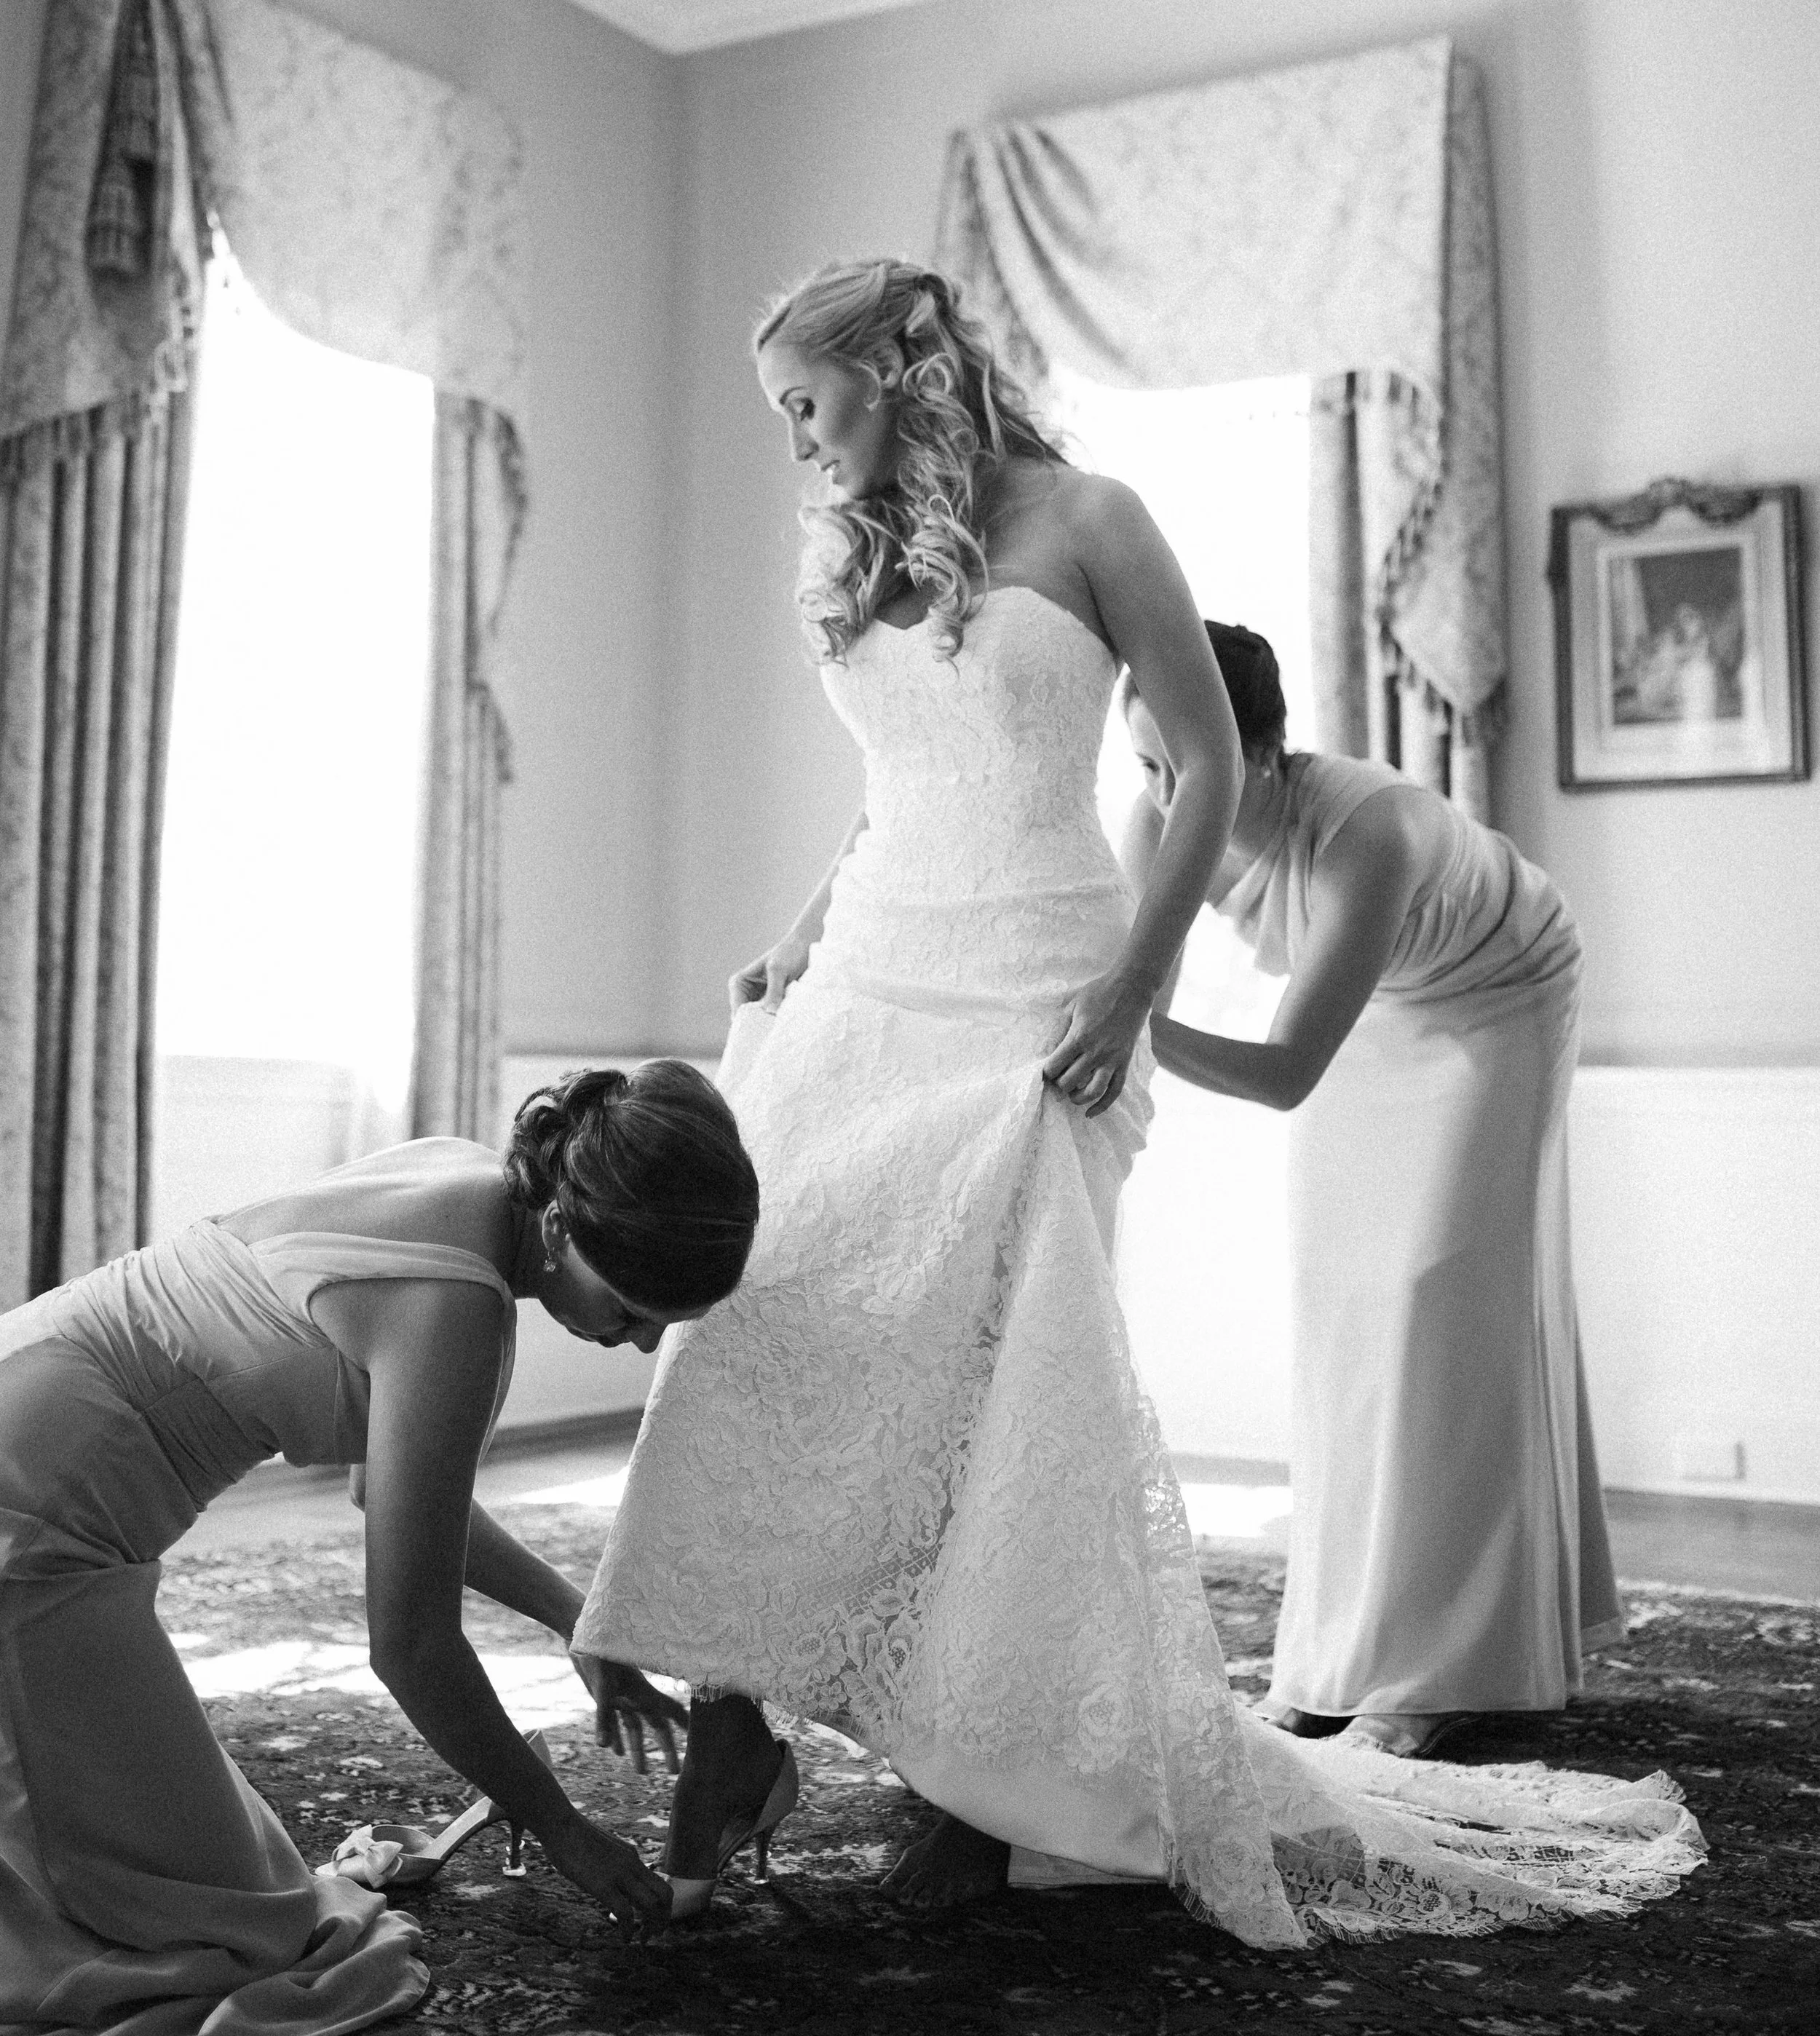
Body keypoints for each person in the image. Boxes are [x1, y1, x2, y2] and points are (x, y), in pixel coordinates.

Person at [575, 260, 1701, 1946]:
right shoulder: (856, 544)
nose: (794, 439)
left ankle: (985, 1788)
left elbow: (1208, 765)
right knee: (759, 1317)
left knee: (997, 1378)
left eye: (804, 400)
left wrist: (1130, 989)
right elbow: (897, 782)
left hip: (1040, 984)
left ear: (899, 364)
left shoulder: (1094, 519)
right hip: (871, 971)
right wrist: (800, 934)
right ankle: (734, 1714)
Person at [0, 1059, 758, 2036]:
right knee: (222, 1938)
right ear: (562, 1228)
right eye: (628, 1310)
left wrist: (580, 1622)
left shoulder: (469, 1178)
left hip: (30, 1403)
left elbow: (392, 1494)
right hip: (35, 1528)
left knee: (230, 1894)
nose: (639, 1342)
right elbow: (410, 1646)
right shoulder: (455, 1312)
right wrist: (564, 1829)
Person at [1123, 621, 1624, 1756]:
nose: (1159, 796)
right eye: (1144, 764)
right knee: (1344, 1305)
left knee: (1439, 1303)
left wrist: (1128, 1027)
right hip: (1375, 1011)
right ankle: (1337, 1652)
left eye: (1181, 765)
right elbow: (1129, 974)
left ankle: (1440, 1670)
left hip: (1498, 1000)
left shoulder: (1369, 833)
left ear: (1258, 752)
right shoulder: (1158, 818)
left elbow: (1282, 1070)